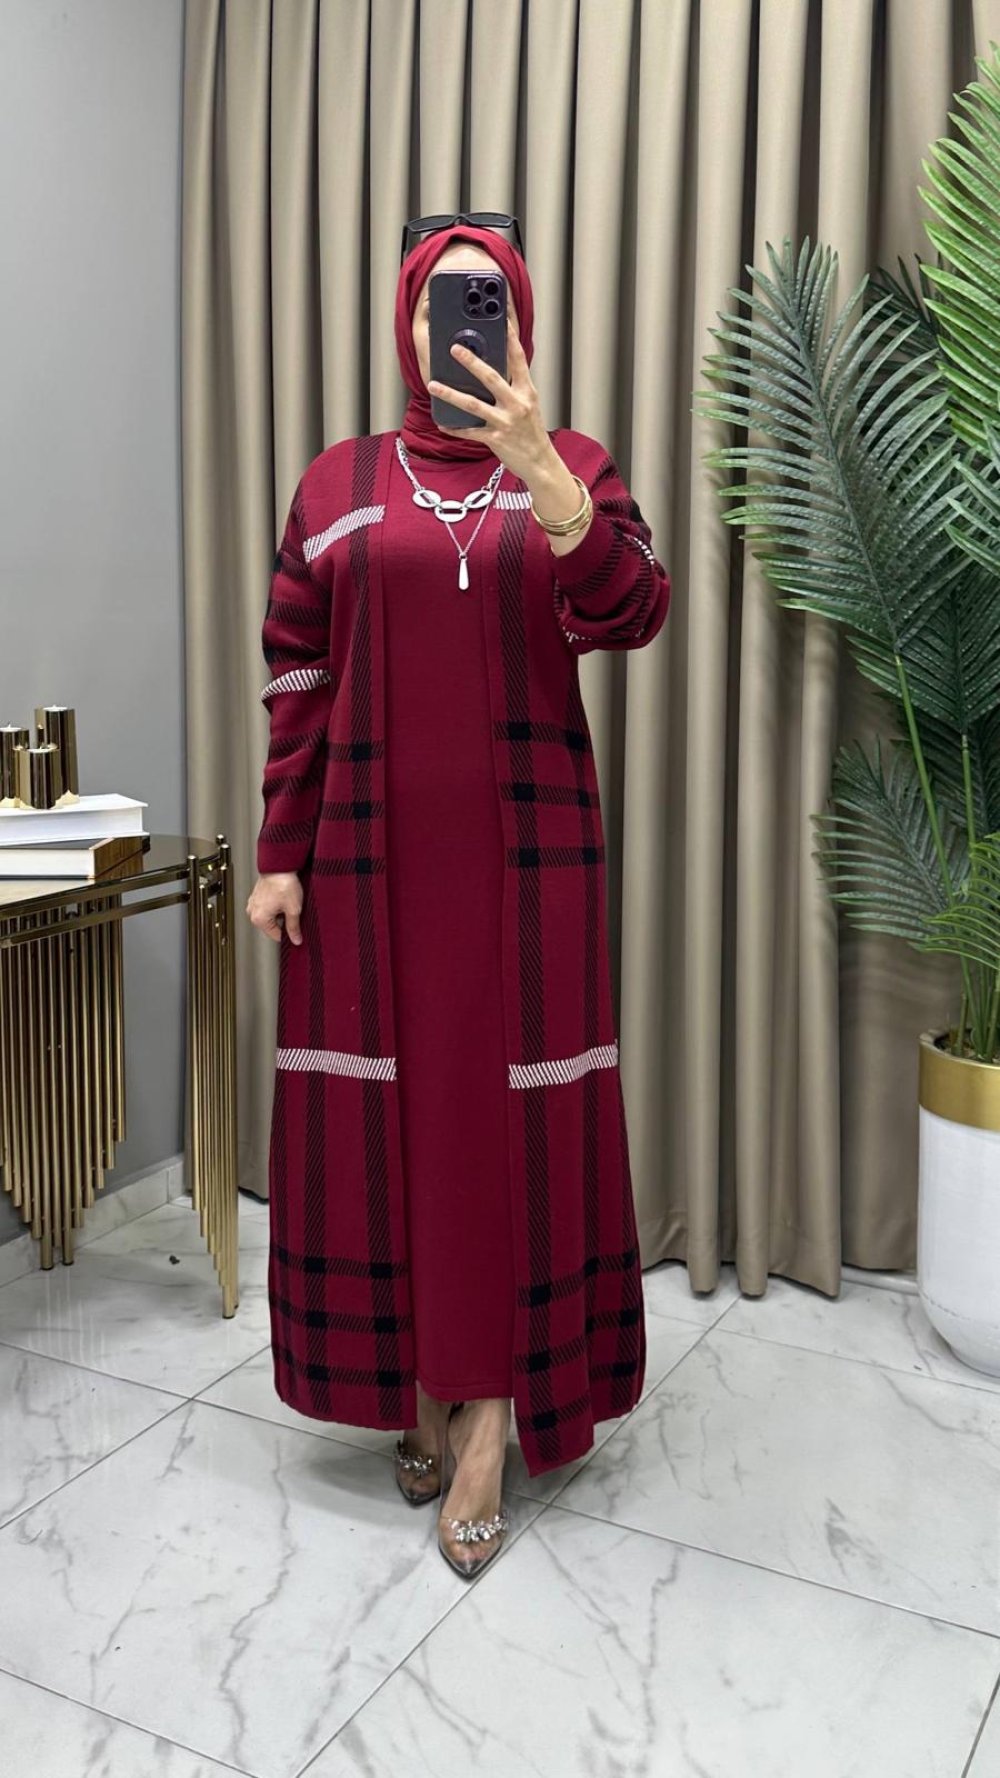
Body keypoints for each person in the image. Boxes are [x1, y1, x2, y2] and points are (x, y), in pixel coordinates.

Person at [246, 216, 670, 1578]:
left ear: (521, 326)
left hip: (527, 870)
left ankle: (489, 1414)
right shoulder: (338, 484)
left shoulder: (574, 465)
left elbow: (632, 609)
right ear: (407, 325)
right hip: (369, 865)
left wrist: (540, 467)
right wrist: (280, 849)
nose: (464, 324)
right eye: (444, 301)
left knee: (504, 1130)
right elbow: (298, 674)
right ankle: (417, 1380)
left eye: (489, 301)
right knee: (401, 1125)